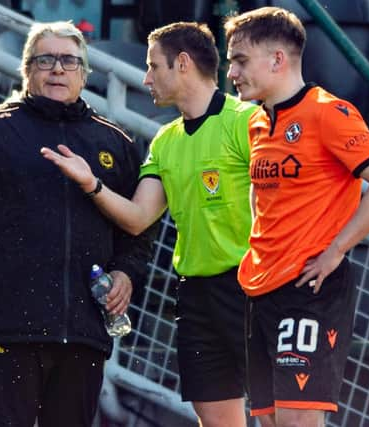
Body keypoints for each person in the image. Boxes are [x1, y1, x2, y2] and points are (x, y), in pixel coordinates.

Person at [0, 21, 155, 427]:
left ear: (84, 73)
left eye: (69, 61)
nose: (58, 70)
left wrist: (126, 274)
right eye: (46, 59)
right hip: (8, 327)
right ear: (26, 69)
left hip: (84, 331)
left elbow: (137, 231)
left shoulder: (114, 143)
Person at [42, 21, 268, 427]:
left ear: (181, 64)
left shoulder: (247, 121)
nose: (145, 78)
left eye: (153, 66)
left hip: (253, 288)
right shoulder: (165, 140)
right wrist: (91, 182)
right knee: (216, 420)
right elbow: (137, 218)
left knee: (275, 416)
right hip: (197, 296)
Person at [223, 7, 369, 427]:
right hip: (260, 287)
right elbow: (261, 194)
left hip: (310, 285)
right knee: (269, 421)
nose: (231, 71)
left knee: (298, 420)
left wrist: (335, 251)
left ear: (277, 59)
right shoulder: (256, 122)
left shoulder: (328, 112)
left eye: (240, 60)